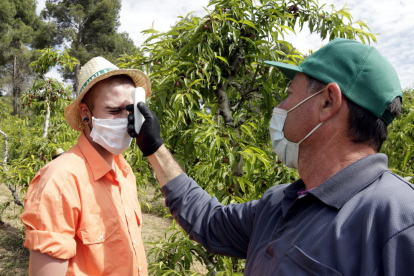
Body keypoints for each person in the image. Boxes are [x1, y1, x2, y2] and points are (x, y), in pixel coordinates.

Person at [127, 38, 414, 275]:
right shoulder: (281, 203)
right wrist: (154, 148)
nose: (281, 105)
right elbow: (209, 221)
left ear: (327, 102)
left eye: (290, 93)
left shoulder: (398, 220)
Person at [21, 57, 151, 276]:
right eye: (114, 111)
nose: (126, 120)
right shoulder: (61, 182)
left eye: (131, 111)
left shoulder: (124, 172)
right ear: (85, 114)